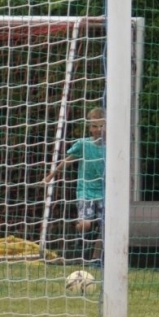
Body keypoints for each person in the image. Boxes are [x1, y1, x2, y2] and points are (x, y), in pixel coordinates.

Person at [42, 107, 105, 265]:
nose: (98, 129)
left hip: (104, 193)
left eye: (101, 126)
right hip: (86, 192)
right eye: (94, 126)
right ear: (90, 127)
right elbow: (66, 161)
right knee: (86, 224)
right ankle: (75, 238)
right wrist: (50, 176)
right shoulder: (83, 144)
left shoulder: (111, 146)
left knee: (106, 228)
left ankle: (96, 259)